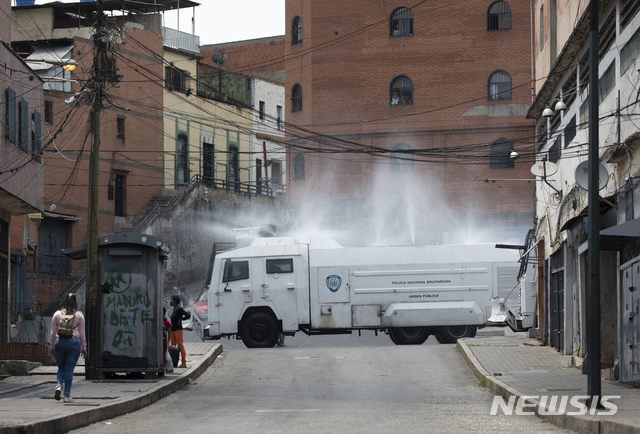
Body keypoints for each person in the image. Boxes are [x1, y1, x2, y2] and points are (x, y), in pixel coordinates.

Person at [49, 293, 87, 403]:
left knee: (61, 367)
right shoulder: (79, 315)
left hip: (59, 342)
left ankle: (58, 386)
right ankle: (67, 395)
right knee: (69, 369)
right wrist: (84, 347)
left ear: (64, 301)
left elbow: (52, 332)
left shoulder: (57, 314)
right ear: (75, 302)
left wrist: (51, 345)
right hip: (74, 343)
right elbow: (82, 333)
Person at [169, 295, 190, 368]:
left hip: (178, 330)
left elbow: (188, 315)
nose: (170, 301)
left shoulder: (179, 309)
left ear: (175, 301)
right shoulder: (174, 308)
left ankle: (184, 363)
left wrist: (182, 319)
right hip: (173, 330)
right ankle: (174, 363)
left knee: (180, 346)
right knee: (173, 347)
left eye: (171, 300)